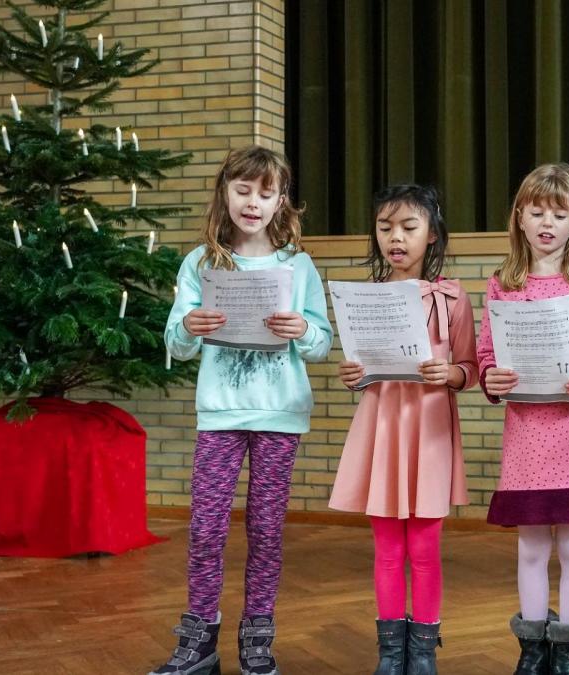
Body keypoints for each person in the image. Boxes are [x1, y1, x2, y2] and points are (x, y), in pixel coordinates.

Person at [153, 146, 332, 675]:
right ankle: (199, 640)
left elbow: (322, 343)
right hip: (220, 415)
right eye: (243, 190)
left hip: (279, 414)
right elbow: (176, 343)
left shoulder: (297, 266)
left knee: (267, 530)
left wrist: (303, 330)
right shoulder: (200, 263)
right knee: (206, 529)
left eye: (266, 192)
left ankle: (258, 637)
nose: (253, 202)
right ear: (225, 193)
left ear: (281, 202)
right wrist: (189, 327)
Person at [478, 163, 569, 675]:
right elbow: (486, 353)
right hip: (527, 433)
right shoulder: (503, 283)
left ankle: (568, 653)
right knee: (532, 544)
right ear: (519, 217)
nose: (546, 222)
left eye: (558, 214)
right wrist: (491, 377)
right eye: (536, 211)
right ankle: (532, 651)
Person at [329, 184, 478, 675]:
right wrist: (353, 375)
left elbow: (469, 368)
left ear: (431, 235)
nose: (396, 238)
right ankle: (391, 653)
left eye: (409, 228)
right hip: (383, 428)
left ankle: (424, 652)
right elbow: (359, 368)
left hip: (430, 430)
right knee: (388, 550)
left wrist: (451, 374)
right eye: (385, 227)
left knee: (425, 548)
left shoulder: (453, 297)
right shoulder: (364, 299)